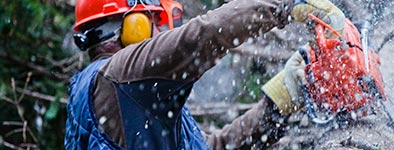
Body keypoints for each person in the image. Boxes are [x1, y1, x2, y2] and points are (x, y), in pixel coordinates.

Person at [64, 0, 345, 149]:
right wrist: (284, 5)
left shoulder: (125, 95)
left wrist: (280, 99)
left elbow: (212, 148)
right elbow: (201, 36)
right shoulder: (121, 75)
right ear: (133, 26)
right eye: (153, 22)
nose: (160, 32)